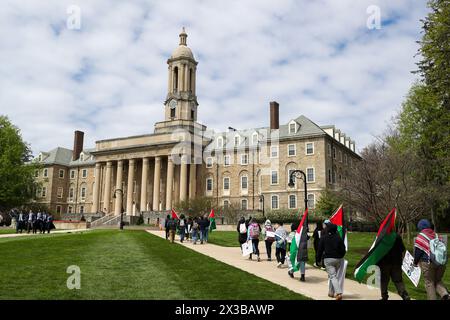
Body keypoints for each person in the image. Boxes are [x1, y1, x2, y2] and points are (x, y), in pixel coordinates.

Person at [414, 219, 449, 300]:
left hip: (428, 263)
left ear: (420, 227)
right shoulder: (436, 235)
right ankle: (445, 295)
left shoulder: (420, 237)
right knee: (437, 280)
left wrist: (415, 263)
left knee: (429, 283)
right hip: (441, 263)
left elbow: (417, 253)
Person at [316, 222, 346, 300]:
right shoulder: (338, 237)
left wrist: (318, 260)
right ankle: (331, 292)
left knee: (332, 276)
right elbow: (343, 249)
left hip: (328, 259)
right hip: (338, 259)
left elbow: (319, 250)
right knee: (332, 276)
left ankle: (338, 293)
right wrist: (341, 256)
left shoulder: (323, 237)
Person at [377, 232, 410, 300]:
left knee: (384, 281)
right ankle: (404, 295)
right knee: (398, 280)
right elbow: (403, 249)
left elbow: (377, 251)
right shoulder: (397, 236)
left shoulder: (381, 237)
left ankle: (384, 296)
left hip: (385, 263)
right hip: (396, 263)